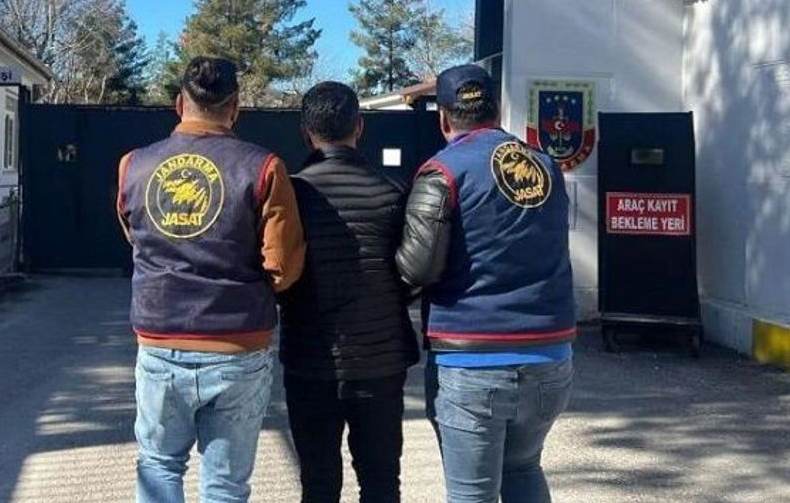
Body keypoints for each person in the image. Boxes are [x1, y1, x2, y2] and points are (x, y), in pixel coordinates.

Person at [117, 56, 306, 503]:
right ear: (235, 106)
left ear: (179, 103)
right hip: (238, 343)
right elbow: (282, 266)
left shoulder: (133, 165)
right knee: (225, 484)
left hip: (159, 338)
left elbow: (135, 235)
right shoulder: (264, 167)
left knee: (159, 465)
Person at [395, 64, 576, 503]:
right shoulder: (546, 165)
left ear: (443, 118)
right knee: (524, 469)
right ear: (497, 109)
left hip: (473, 359)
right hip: (551, 355)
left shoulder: (443, 171)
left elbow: (417, 268)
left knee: (471, 495)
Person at [278, 82, 419, 503]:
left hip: (310, 361)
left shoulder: (291, 196)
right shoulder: (392, 191)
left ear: (305, 133)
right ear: (360, 127)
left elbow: (278, 271)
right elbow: (413, 273)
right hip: (381, 362)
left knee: (318, 484)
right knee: (381, 483)